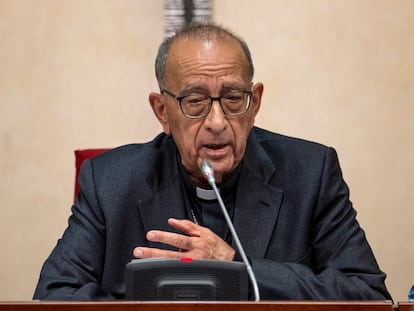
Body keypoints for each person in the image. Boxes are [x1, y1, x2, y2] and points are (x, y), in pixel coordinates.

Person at [33, 22, 391, 301]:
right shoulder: (109, 181)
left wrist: (238, 270)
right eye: (195, 100)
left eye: (234, 98)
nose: (218, 122)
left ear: (256, 103)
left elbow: (367, 293)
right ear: (162, 111)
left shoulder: (311, 172)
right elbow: (54, 295)